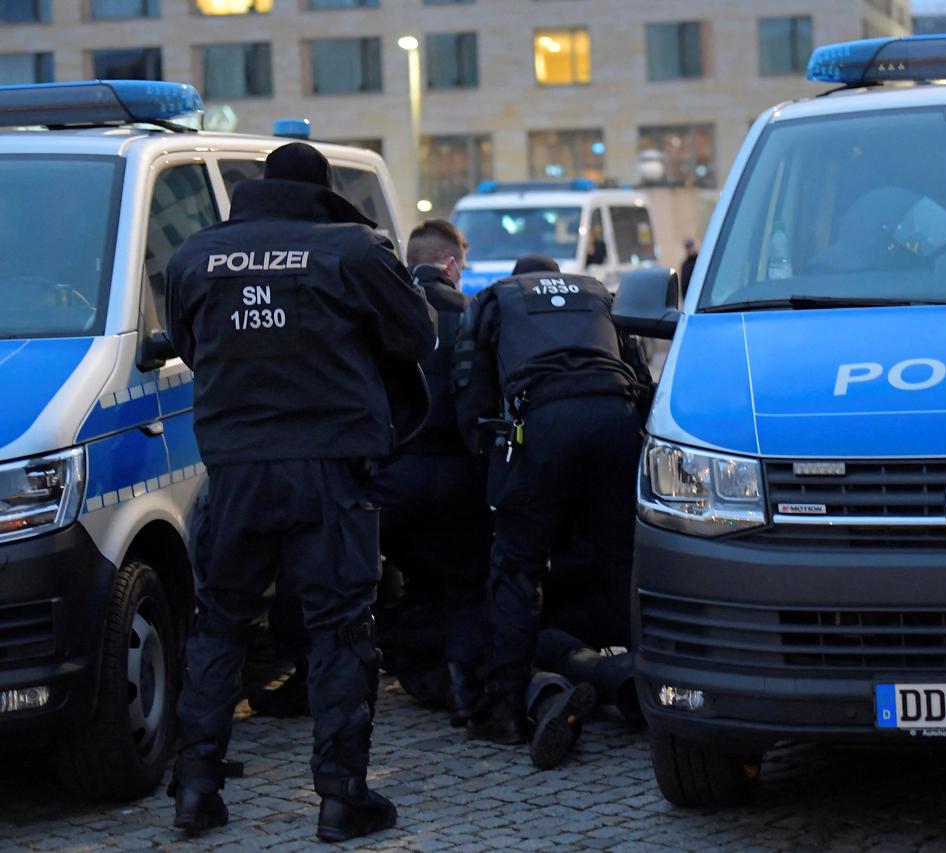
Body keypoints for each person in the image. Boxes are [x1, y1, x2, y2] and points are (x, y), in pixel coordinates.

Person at [164, 142, 435, 842]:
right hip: (330, 467)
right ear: (323, 191)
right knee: (341, 628)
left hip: (235, 469)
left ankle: (195, 789)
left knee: (218, 623)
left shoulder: (194, 256)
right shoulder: (353, 250)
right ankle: (342, 796)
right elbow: (417, 336)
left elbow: (191, 346)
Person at [453, 262, 650, 762]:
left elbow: (470, 390)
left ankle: (505, 712)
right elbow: (640, 372)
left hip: (543, 421)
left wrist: (488, 471)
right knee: (624, 561)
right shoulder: (597, 294)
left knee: (516, 569)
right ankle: (652, 684)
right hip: (617, 417)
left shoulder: (496, 298)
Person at [367, 219, 491, 727]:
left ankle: (412, 669)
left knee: (414, 576)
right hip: (459, 478)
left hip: (394, 478)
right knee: (465, 584)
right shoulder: (472, 314)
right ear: (450, 264)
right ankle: (463, 689)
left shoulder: (383, 314)